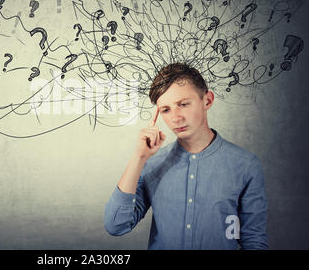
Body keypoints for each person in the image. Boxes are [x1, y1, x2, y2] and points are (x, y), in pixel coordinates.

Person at [104, 63, 268, 249]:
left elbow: (254, 240)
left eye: (183, 104)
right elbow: (115, 225)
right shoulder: (152, 164)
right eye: (165, 109)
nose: (175, 118)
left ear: (207, 101)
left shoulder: (245, 165)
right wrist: (139, 157)